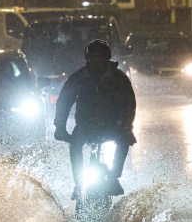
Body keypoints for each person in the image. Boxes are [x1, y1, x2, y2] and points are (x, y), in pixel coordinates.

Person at [53, 39, 136, 199]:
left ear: (107, 58)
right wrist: (60, 126)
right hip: (86, 126)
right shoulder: (78, 78)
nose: (96, 61)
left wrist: (126, 126)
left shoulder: (119, 78)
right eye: (92, 57)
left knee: (124, 141)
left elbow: (129, 104)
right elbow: (64, 101)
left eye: (100, 57)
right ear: (87, 59)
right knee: (75, 145)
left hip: (113, 125)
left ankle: (114, 177)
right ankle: (78, 183)